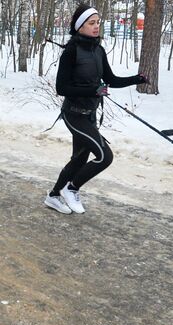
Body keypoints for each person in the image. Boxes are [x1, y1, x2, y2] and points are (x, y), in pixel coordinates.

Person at [44, 4, 148, 214]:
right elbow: (61, 88)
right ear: (80, 26)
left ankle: (53, 196)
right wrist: (94, 90)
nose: (96, 27)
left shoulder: (98, 50)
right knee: (104, 156)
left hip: (90, 114)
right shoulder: (71, 51)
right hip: (74, 114)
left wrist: (136, 79)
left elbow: (110, 80)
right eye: (91, 23)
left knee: (79, 159)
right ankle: (71, 189)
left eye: (98, 22)